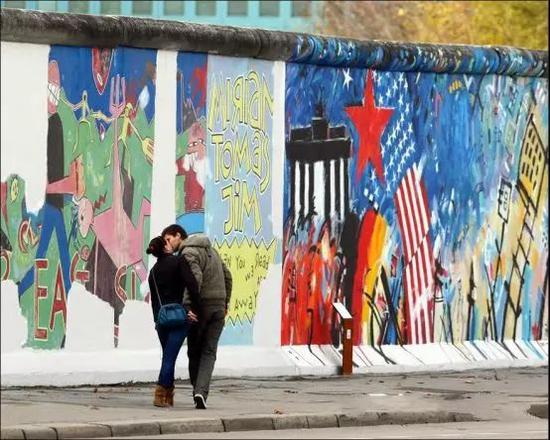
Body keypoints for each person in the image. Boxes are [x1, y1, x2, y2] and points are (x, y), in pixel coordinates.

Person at [162, 224, 232, 410]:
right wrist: (225, 303)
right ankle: (202, 392)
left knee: (194, 350)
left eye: (169, 239)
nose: (168, 244)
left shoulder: (188, 253)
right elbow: (228, 276)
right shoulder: (213, 251)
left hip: (201, 307)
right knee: (209, 352)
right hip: (218, 306)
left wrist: (188, 307)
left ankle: (197, 392)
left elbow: (195, 279)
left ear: (179, 236)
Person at [146, 235, 199, 408]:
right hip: (179, 317)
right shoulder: (178, 262)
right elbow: (192, 285)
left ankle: (168, 396)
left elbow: (154, 300)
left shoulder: (153, 272)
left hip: (162, 320)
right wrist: (193, 309)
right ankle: (160, 394)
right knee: (169, 357)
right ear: (167, 246)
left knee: (168, 356)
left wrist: (157, 321)